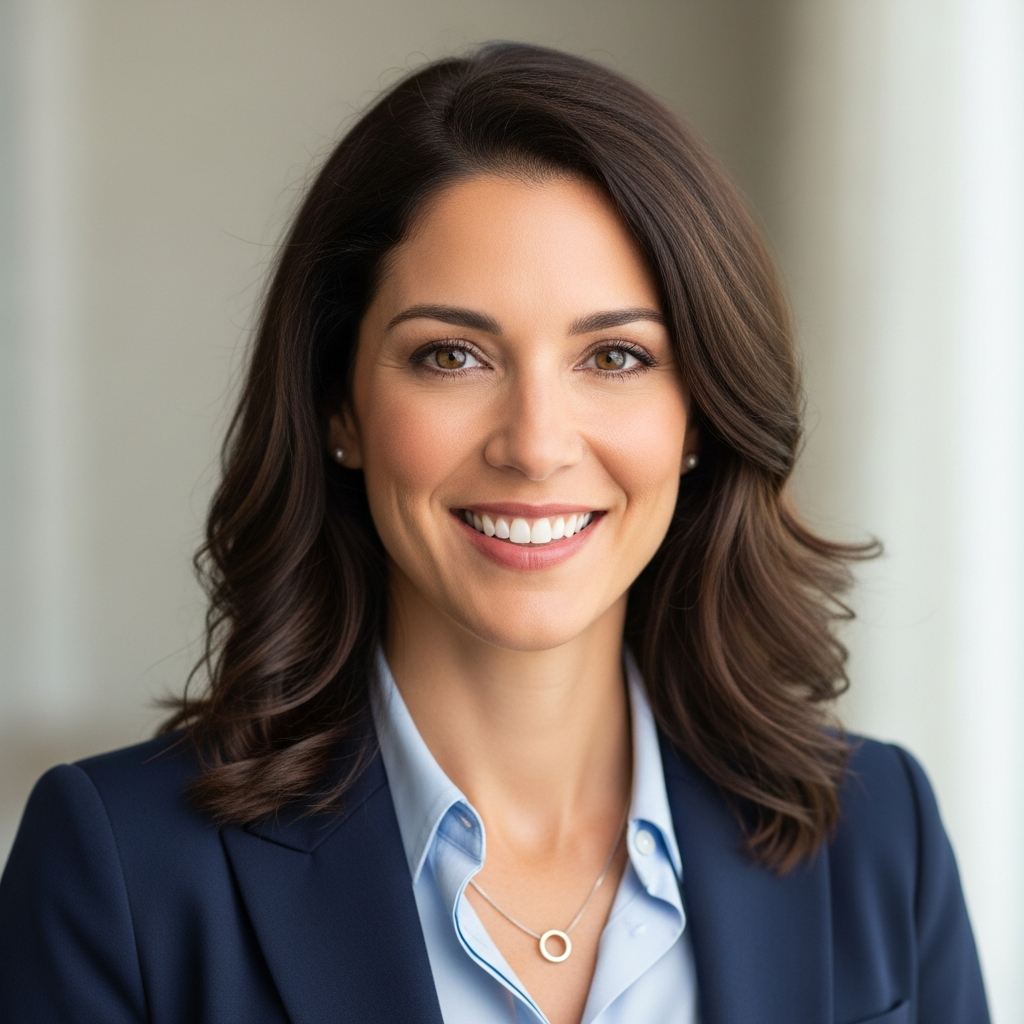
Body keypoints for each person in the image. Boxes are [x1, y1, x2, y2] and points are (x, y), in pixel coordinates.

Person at [0, 43, 989, 1024]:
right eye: (453, 355)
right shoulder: (120, 868)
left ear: (699, 416)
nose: (535, 445)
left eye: (614, 356)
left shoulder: (879, 837)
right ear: (338, 405)